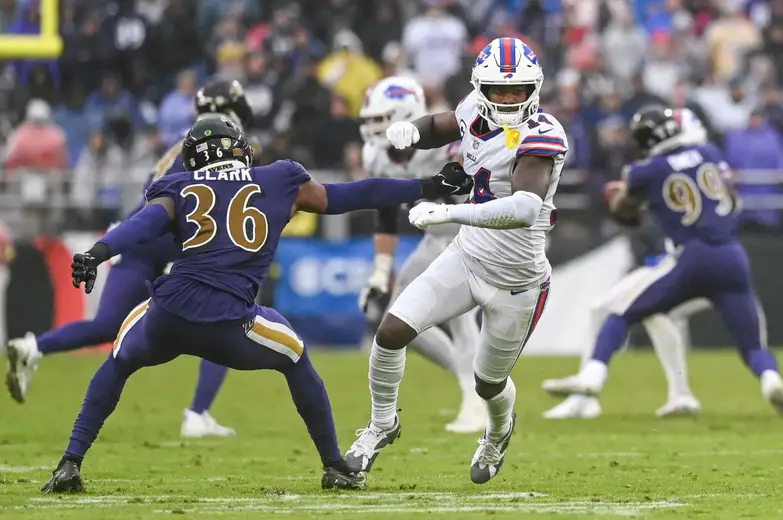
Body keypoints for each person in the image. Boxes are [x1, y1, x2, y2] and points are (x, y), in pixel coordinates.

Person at [40, 114, 473, 493]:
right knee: (296, 355)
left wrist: (97, 251)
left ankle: (70, 462)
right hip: (231, 321)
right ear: (239, 149)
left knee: (119, 357)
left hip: (169, 311)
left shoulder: (180, 185)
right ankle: (334, 465)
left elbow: (144, 222)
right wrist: (428, 185)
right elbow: (349, 195)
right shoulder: (279, 179)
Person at [344, 37, 566, 484]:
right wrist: (414, 131)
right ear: (480, 88)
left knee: (488, 383)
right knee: (390, 331)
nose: (506, 99)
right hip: (466, 256)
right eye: (498, 91)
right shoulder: (472, 108)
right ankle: (380, 425)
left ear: (535, 89)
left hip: (518, 282)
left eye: (516, 91)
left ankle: (499, 430)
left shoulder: (544, 134)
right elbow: (444, 123)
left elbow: (523, 208)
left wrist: (450, 211)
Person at [5, 79, 254, 438]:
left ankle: (33, 347)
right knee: (224, 317)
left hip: (137, 237)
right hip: (167, 239)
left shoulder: (185, 140)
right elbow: (198, 202)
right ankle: (197, 414)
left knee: (107, 326)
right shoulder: (213, 143)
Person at [540, 106, 783, 415]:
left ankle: (593, 375)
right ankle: (770, 379)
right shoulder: (708, 152)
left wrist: (618, 196)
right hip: (731, 254)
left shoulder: (645, 171)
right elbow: (730, 198)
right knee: (753, 346)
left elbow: (624, 212)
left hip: (691, 257)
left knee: (621, 310)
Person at [358, 75, 486, 433]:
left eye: (380, 119)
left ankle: (475, 400)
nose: (372, 129)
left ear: (406, 113)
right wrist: (381, 271)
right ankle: (470, 383)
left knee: (460, 316)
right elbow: (385, 210)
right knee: (396, 318)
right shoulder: (377, 156)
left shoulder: (444, 143)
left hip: (477, 231)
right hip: (436, 238)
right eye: (369, 120)